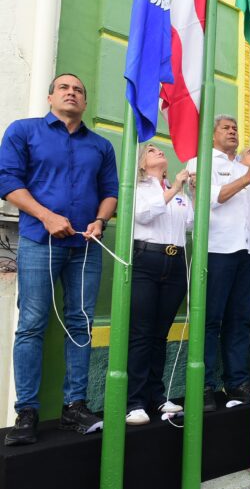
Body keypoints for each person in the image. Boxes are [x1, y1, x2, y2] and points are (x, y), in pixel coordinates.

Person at [0, 73, 118, 445]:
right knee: (32, 325)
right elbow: (6, 181)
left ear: (85, 102)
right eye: (64, 88)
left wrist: (100, 221)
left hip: (85, 247)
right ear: (51, 96)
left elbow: (110, 193)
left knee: (80, 325)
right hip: (38, 242)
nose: (71, 93)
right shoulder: (24, 131)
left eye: (78, 90)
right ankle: (27, 413)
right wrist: (46, 216)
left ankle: (75, 407)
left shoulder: (100, 146)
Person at [187, 115, 250, 411]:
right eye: (226, 128)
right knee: (211, 320)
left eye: (235, 128)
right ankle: (204, 385)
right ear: (212, 134)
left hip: (247, 249)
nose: (232, 131)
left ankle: (237, 382)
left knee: (241, 320)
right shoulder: (200, 162)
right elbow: (212, 199)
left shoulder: (246, 167)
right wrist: (247, 178)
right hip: (217, 250)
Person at [126, 145, 192, 425]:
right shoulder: (138, 187)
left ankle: (156, 395)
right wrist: (176, 186)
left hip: (175, 262)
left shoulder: (176, 192)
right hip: (147, 259)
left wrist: (187, 190)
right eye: (150, 150)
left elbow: (190, 223)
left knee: (159, 335)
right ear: (142, 164)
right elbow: (143, 215)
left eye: (160, 149)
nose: (157, 151)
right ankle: (135, 401)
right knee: (141, 332)